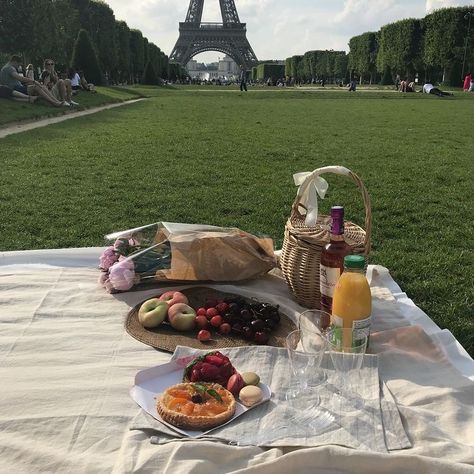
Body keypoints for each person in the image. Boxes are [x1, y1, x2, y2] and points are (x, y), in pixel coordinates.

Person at [0, 54, 67, 107]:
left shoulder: (6, 68)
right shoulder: (9, 68)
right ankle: (54, 102)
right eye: (18, 64)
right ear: (14, 61)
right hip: (16, 88)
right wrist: (34, 81)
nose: (18, 66)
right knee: (37, 87)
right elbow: (19, 78)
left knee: (41, 86)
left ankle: (56, 101)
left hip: (17, 87)